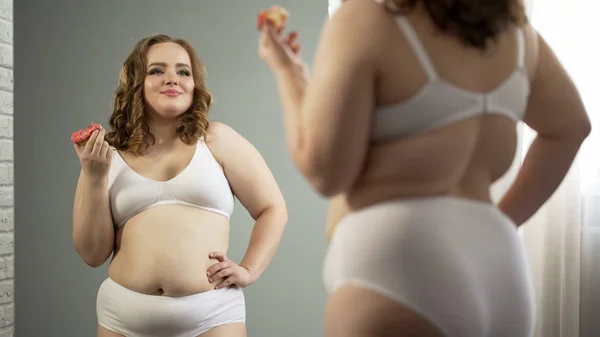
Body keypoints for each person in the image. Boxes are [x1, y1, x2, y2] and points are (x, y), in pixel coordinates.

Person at [258, 0, 591, 336]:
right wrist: (499, 222)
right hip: (499, 267)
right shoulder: (515, 33)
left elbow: (325, 171)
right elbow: (571, 127)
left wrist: (289, 75)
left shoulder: (366, 17)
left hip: (400, 273)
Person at [72, 34, 288, 337]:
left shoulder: (217, 140)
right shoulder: (108, 154)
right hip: (123, 318)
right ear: (136, 83)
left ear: (194, 84)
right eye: (156, 70)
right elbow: (92, 254)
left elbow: (272, 208)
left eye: (183, 71)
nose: (172, 78)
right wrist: (94, 177)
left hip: (214, 316)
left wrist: (250, 269)